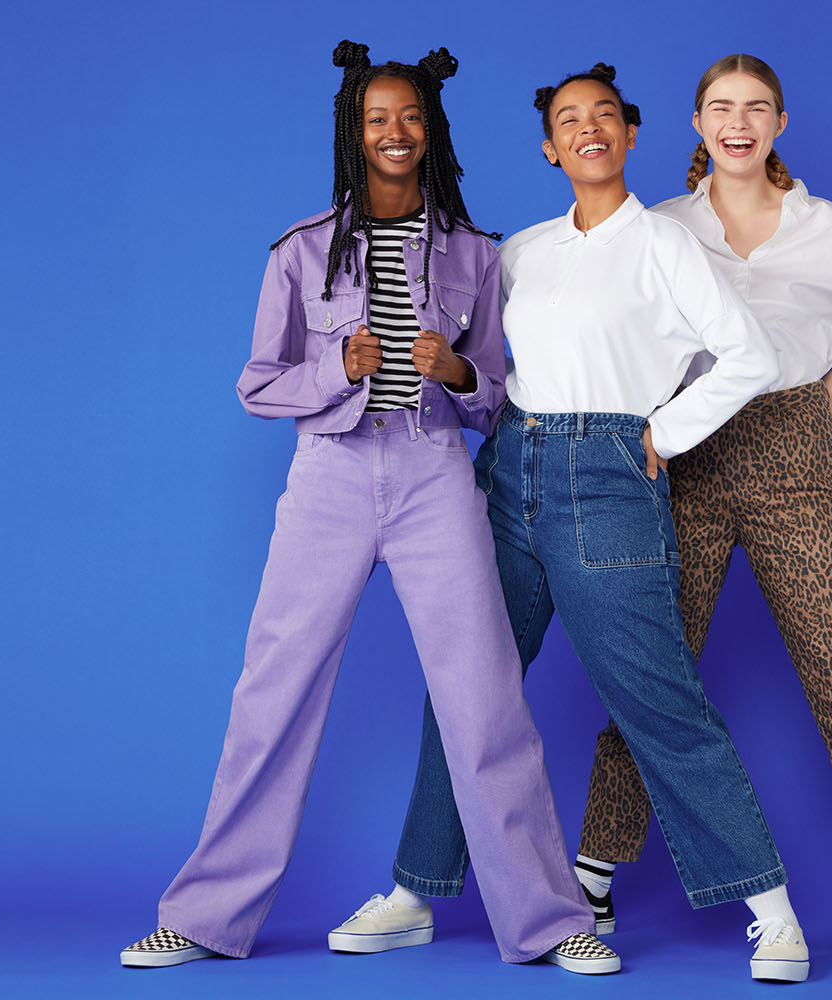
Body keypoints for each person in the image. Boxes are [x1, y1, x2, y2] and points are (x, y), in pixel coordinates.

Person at [118, 40, 616, 975]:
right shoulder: (300, 250)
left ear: (432, 132)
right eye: (377, 117)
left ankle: (550, 922)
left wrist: (457, 370)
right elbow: (257, 385)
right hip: (330, 478)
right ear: (353, 131)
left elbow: (497, 399)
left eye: (411, 116)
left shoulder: (477, 254)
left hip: (434, 475)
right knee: (273, 692)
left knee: (485, 698)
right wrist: (333, 368)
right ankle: (206, 917)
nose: (395, 131)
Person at [362, 63, 813, 984]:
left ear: (630, 134)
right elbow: (482, 368)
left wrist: (662, 434)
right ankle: (414, 891)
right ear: (549, 148)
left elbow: (751, 356)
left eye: (604, 115)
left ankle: (773, 915)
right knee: (467, 687)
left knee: (660, 699)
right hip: (509, 468)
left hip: (607, 477)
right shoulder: (523, 252)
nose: (588, 129)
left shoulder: (665, 243)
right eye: (569, 120)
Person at [573, 53, 832, 966]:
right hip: (683, 451)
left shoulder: (824, 228)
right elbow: (614, 331)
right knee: (651, 673)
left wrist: (825, 395)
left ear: (780, 124)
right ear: (696, 123)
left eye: (756, 108)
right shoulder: (663, 227)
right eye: (721, 108)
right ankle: (591, 877)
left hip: (793, 452)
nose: (739, 123)